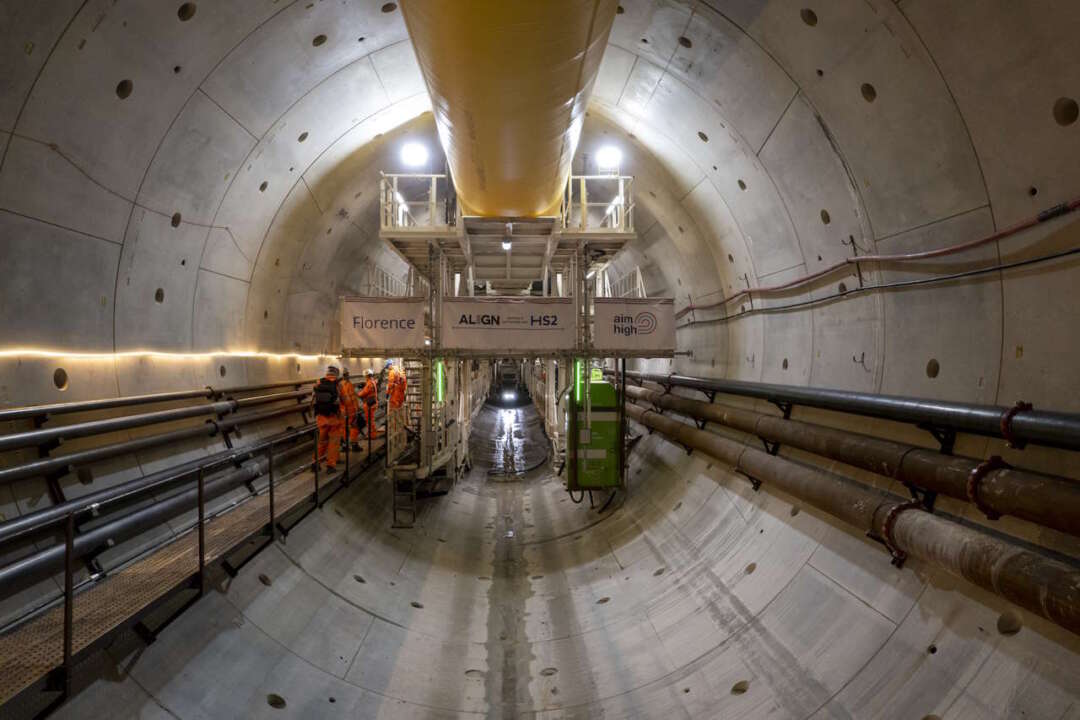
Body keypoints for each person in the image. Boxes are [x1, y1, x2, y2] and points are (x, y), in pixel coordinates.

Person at [311, 365, 345, 471]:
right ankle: (330, 465)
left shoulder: (318, 383)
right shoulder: (338, 384)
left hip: (321, 418)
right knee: (333, 443)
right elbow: (344, 400)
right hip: (333, 418)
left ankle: (315, 463)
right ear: (336, 374)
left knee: (321, 442)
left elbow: (313, 399)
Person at [339, 368, 361, 452]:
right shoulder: (348, 384)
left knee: (344, 428)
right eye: (347, 374)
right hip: (350, 409)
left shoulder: (339, 385)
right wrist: (357, 408)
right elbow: (353, 398)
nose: (348, 376)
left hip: (343, 410)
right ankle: (354, 445)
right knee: (354, 427)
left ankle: (344, 446)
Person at [358, 368, 380, 439]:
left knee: (370, 421)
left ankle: (372, 435)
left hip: (369, 404)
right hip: (372, 403)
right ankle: (372, 433)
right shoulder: (372, 381)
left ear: (367, 376)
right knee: (371, 420)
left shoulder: (369, 383)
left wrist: (358, 394)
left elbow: (364, 393)